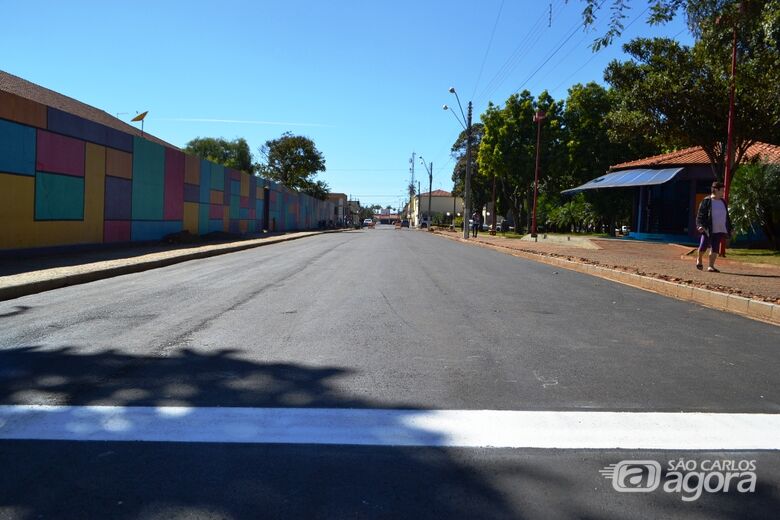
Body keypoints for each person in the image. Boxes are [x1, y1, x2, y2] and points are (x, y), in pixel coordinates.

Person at [695, 181, 732, 273]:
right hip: (708, 228)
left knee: (715, 248)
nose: (723, 192)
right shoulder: (707, 201)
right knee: (703, 246)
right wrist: (699, 225)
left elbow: (726, 216)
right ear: (715, 190)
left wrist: (730, 228)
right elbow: (700, 215)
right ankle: (699, 259)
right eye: (722, 190)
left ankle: (711, 266)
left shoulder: (723, 202)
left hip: (720, 229)